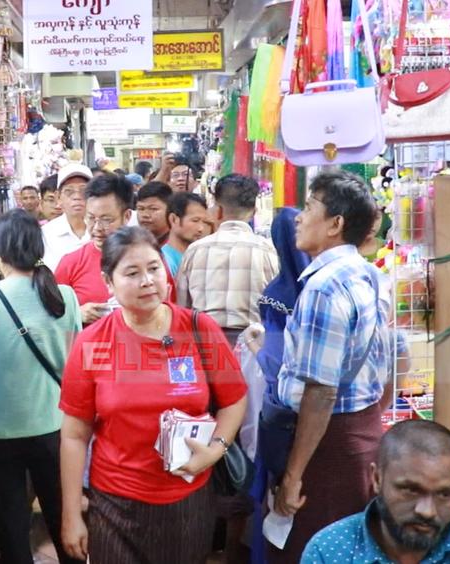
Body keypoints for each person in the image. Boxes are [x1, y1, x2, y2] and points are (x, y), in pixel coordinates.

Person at [60, 226, 248, 564]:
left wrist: (214, 450)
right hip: (114, 503)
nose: (147, 280)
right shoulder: (93, 344)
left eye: (154, 268)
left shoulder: (198, 329)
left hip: (187, 498)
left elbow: (234, 400)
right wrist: (72, 514)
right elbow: (74, 435)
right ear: (109, 282)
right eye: (132, 273)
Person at [269, 171, 386, 563]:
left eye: (308, 208)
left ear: (335, 224)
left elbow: (321, 391)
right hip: (361, 430)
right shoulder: (368, 273)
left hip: (328, 442)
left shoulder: (323, 287)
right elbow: (387, 359)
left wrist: (293, 475)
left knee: (314, 547)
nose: (298, 218)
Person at [0, 209, 83, 564]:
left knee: (12, 523)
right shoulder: (65, 296)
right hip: (56, 426)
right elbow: (73, 361)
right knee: (64, 515)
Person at [302, 420, 450, 563]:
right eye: (410, 490)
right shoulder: (331, 551)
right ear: (377, 479)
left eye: (445, 495)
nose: (427, 511)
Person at [243, 208, 312, 564]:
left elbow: (274, 367)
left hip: (281, 418)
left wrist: (253, 342)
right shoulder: (319, 288)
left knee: (278, 505)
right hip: (318, 420)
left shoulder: (277, 294)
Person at [177, 173, 278, 346]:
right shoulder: (269, 251)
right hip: (252, 346)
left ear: (218, 210)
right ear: (254, 211)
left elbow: (182, 307)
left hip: (205, 344)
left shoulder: (195, 250)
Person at [54, 174, 133, 326]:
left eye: (106, 220)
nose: (97, 228)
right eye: (91, 218)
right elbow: (51, 316)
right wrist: (76, 314)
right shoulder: (71, 262)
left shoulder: (148, 260)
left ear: (127, 216)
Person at [42, 164, 92, 271]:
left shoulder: (103, 231)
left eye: (84, 191)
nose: (77, 197)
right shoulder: (46, 234)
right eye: (69, 191)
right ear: (58, 197)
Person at [161, 192, 209, 276]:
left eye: (204, 222)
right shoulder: (165, 261)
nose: (201, 228)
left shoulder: (197, 257)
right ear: (173, 219)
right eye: (195, 220)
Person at [136, 181, 174, 246]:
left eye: (153, 209)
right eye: (141, 209)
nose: (145, 215)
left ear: (170, 210)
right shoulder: (132, 243)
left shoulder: (179, 244)